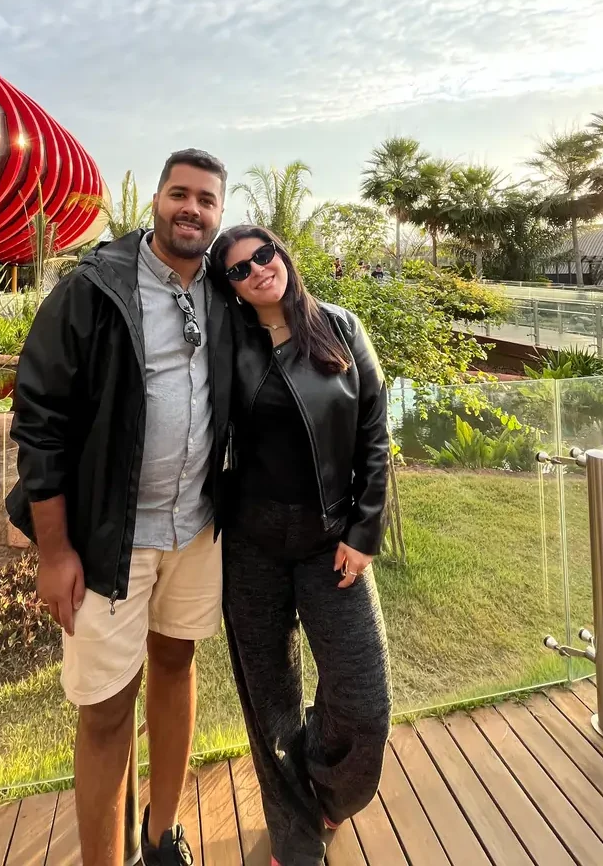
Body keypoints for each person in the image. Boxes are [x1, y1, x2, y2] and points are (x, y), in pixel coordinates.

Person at [6, 149, 232, 866]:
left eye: (206, 199)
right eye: (179, 194)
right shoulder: (96, 288)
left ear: (219, 214)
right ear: (157, 201)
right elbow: (39, 419)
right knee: (105, 711)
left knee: (176, 664)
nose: (191, 209)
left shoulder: (224, 292)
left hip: (195, 530)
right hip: (111, 537)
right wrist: (54, 551)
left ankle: (162, 835)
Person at [209, 225, 392, 866]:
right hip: (251, 546)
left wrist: (364, 531)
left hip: (329, 542)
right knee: (270, 705)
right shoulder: (227, 343)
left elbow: (374, 432)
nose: (258, 269)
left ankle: (328, 790)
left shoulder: (339, 328)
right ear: (230, 287)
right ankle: (295, 837)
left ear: (281, 253)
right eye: (239, 269)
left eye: (263, 254)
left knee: (365, 703)